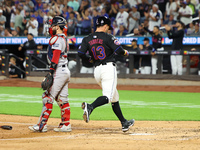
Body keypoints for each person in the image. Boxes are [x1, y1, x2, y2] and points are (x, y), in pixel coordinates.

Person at [78, 16, 134, 132]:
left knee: (114, 97)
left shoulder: (87, 38)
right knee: (108, 97)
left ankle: (124, 122)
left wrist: (90, 59)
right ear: (105, 26)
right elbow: (119, 50)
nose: (108, 29)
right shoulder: (109, 37)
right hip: (108, 68)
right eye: (108, 27)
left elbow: (80, 53)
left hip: (97, 71)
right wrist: (125, 52)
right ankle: (90, 107)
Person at [29, 16, 71, 132]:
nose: (50, 27)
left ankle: (41, 125)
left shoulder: (57, 39)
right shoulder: (64, 38)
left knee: (47, 98)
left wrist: (51, 73)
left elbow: (56, 57)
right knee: (62, 99)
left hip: (59, 70)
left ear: (58, 27)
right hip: (65, 71)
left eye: (52, 25)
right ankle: (65, 124)